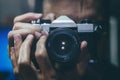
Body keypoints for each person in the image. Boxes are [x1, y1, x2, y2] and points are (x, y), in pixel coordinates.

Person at [8, 0, 120, 80]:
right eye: (62, 28)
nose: (74, 40)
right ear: (40, 24)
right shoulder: (23, 73)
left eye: (88, 25)